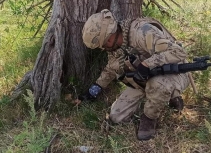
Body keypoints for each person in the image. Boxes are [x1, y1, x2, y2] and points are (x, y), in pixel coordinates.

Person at [78, 9, 190, 141]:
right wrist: (93, 91)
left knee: (158, 84)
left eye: (102, 45)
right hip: (143, 80)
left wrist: (148, 64)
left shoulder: (142, 32)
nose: (103, 49)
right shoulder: (116, 46)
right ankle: (163, 96)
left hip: (175, 73)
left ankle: (149, 119)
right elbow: (111, 69)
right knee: (116, 116)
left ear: (108, 39)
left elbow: (179, 52)